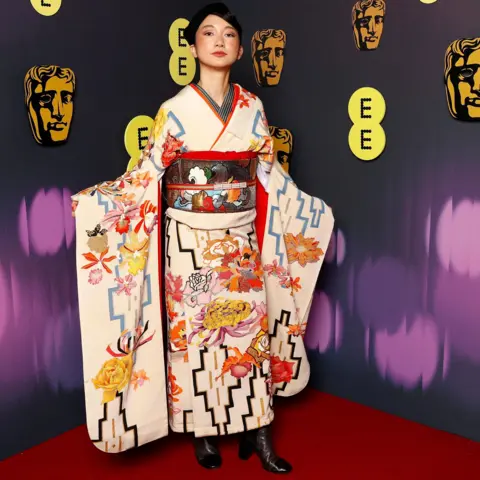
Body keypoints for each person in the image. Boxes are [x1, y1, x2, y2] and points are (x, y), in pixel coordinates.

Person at [72, 2, 334, 474]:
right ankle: (204, 433)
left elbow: (271, 176)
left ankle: (260, 431)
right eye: (208, 33)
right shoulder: (173, 111)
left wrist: (311, 212)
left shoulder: (252, 107)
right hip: (189, 241)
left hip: (238, 242)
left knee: (247, 337)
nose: (218, 40)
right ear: (193, 46)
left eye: (229, 34)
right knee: (195, 339)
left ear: (237, 48)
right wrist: (98, 204)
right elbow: (147, 174)